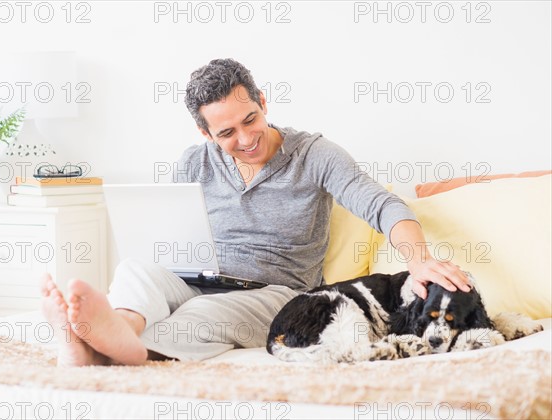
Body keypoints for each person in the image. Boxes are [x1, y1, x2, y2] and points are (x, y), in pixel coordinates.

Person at [41, 58, 471, 366]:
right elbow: (164, 234)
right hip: (196, 278)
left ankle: (110, 349)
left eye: (252, 119)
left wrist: (419, 260)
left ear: (263, 101)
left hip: (275, 293)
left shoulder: (314, 155)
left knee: (201, 316)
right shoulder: (193, 162)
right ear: (205, 132)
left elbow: (382, 204)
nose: (247, 138)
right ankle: (117, 328)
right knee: (136, 270)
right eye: (227, 132)